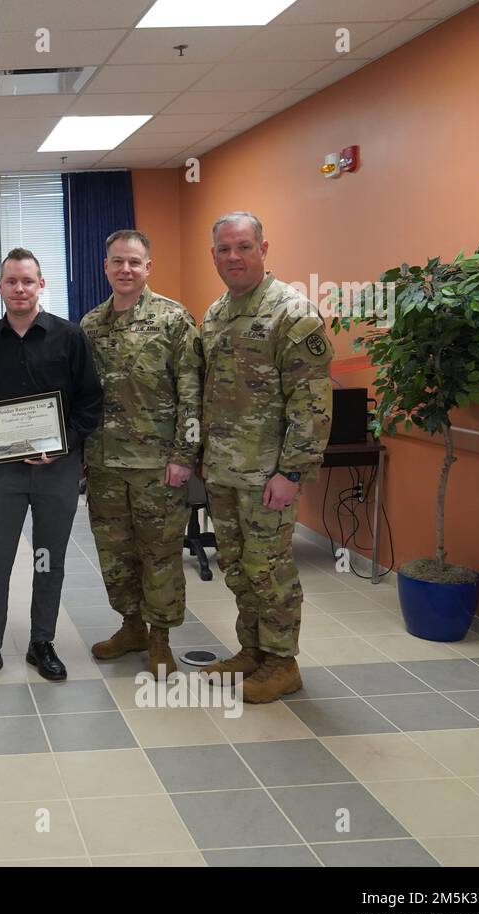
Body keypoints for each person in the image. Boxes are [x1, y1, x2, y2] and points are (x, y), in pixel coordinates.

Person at [198, 212, 333, 703]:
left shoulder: (292, 313)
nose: (233, 257)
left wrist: (292, 471)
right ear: (213, 255)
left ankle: (282, 662)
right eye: (224, 249)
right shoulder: (215, 314)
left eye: (243, 247)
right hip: (223, 470)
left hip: (267, 475)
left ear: (263, 248)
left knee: (269, 568)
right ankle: (252, 650)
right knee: (236, 565)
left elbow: (312, 404)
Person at [0, 249, 102, 687]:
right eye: (12, 281)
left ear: (41, 284)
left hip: (56, 469)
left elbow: (90, 401)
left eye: (28, 281)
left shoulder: (69, 337)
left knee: (49, 558)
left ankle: (41, 642)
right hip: (1, 471)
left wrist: (64, 445)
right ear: (0, 287)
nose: (20, 289)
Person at [81, 229, 202, 678]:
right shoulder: (91, 325)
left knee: (160, 554)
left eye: (134, 262)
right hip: (104, 464)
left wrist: (183, 456)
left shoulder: (173, 319)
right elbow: (81, 397)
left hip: (158, 466)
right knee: (115, 553)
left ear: (148, 267)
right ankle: (131, 626)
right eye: (117, 262)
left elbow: (192, 393)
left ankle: (161, 639)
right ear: (106, 267)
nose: (126, 269)